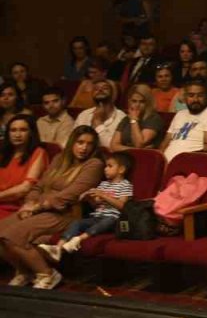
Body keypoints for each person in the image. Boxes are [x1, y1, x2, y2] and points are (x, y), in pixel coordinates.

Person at [0, 127, 104, 289]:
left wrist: (37, 207)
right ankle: (24, 272)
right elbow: (38, 187)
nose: (84, 148)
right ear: (72, 143)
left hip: (65, 213)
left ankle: (47, 274)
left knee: (12, 236)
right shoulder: (59, 159)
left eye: (89, 144)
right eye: (80, 142)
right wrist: (28, 204)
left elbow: (71, 194)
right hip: (39, 208)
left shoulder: (94, 164)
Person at [39, 151, 134, 263]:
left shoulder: (126, 185)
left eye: (110, 166)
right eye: (105, 166)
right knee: (77, 223)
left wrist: (103, 195)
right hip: (97, 216)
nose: (105, 169)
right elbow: (97, 205)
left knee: (108, 220)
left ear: (121, 169)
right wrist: (89, 198)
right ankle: (58, 248)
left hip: (114, 219)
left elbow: (122, 206)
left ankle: (78, 240)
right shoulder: (103, 184)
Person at [159, 82, 207, 162]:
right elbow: (165, 143)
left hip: (190, 164)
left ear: (206, 97)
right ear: (185, 97)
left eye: (200, 96)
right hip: (167, 163)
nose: (195, 99)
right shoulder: (180, 114)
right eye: (191, 95)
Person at [0, 115, 48, 217]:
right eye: (13, 130)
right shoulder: (3, 153)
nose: (17, 135)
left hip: (19, 207)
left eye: (23, 130)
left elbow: (26, 188)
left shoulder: (39, 152)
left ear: (31, 133)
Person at [110, 85, 165, 150]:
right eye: (134, 101)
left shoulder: (154, 119)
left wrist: (134, 120)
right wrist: (134, 150)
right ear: (129, 101)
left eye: (142, 102)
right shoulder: (126, 119)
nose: (137, 105)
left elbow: (138, 144)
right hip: (125, 156)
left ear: (148, 103)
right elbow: (113, 145)